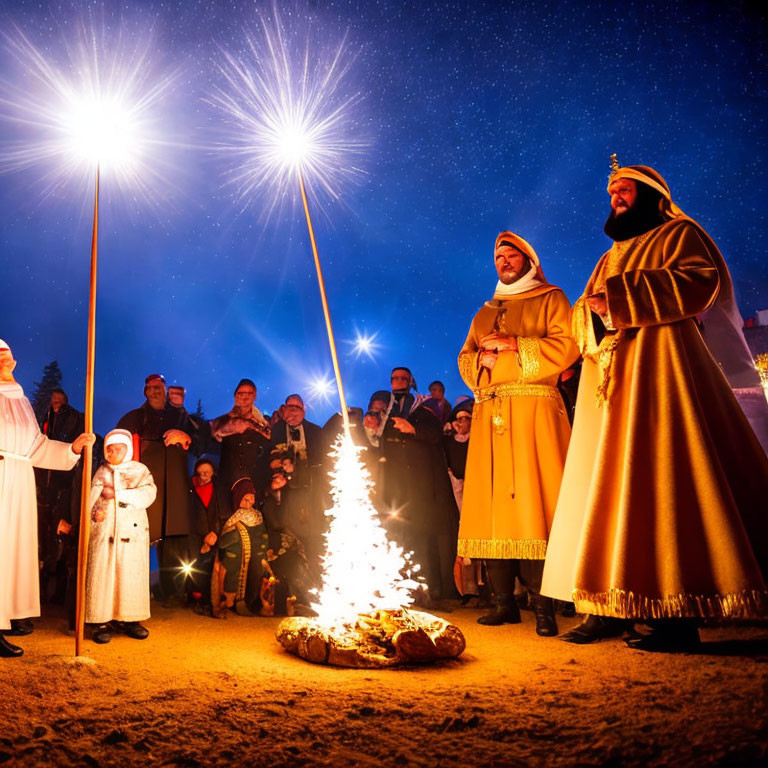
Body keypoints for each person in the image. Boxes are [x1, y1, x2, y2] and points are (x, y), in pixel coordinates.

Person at [541, 160, 768, 650]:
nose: (616, 197)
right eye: (612, 192)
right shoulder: (609, 256)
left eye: (625, 190)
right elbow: (588, 314)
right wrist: (595, 310)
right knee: (601, 492)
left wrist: (618, 300)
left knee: (664, 483)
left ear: (650, 195)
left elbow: (698, 281)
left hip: (660, 376)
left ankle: (674, 613)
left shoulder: (679, 233)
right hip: (610, 386)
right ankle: (606, 603)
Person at [456, 232, 579, 637]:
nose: (504, 262)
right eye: (499, 257)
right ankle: (503, 603)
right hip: (490, 414)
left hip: (534, 415)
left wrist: (514, 345)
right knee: (493, 511)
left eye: (512, 255)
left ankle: (545, 607)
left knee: (534, 505)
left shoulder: (552, 299)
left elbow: (568, 345)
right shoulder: (483, 312)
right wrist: (481, 358)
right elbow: (465, 357)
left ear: (528, 260)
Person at [0, 339, 94, 658]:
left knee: (13, 551)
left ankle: (5, 616)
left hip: (20, 480)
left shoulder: (22, 400)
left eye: (9, 357)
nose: (7, 362)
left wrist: (72, 449)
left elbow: (37, 446)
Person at [116, 374, 196, 603]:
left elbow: (203, 440)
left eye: (158, 387)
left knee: (174, 543)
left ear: (165, 389)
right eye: (150, 388)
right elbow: (117, 444)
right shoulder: (135, 417)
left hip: (176, 488)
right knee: (140, 536)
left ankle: (173, 593)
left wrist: (185, 435)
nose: (154, 392)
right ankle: (132, 592)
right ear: (145, 392)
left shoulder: (181, 417)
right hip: (146, 485)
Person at [85, 429, 157, 644]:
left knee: (130, 574)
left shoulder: (140, 470)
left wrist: (120, 495)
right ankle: (101, 620)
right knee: (103, 574)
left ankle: (130, 619)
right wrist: (94, 512)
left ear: (128, 450)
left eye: (119, 449)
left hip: (131, 532)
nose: (114, 453)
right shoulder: (100, 471)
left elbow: (149, 493)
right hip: (105, 532)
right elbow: (91, 498)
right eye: (110, 449)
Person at [35, 388, 84, 604]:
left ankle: (56, 593)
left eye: (59, 399)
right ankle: (43, 589)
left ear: (65, 400)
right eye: (53, 398)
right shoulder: (43, 417)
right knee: (44, 540)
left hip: (61, 484)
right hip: (42, 487)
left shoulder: (72, 418)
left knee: (59, 540)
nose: (55, 401)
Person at [269, 394, 326, 572]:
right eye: (289, 407)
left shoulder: (316, 432)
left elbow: (321, 462)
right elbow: (269, 457)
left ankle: (315, 574)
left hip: (311, 493)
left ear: (304, 411)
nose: (293, 411)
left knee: (312, 537)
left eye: (297, 408)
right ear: (283, 410)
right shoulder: (275, 430)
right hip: (285, 494)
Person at [210, 379, 272, 494]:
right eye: (241, 393)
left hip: (254, 483)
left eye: (249, 393)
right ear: (235, 396)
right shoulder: (221, 422)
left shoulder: (262, 424)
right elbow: (211, 439)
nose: (245, 397)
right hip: (228, 483)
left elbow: (268, 446)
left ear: (255, 396)